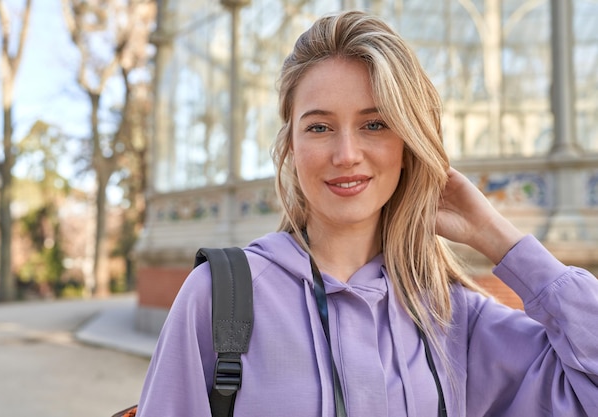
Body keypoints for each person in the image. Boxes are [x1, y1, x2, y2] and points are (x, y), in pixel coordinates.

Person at [135, 10, 598, 417]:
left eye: (374, 124)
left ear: (407, 144)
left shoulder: (454, 318)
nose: (346, 153)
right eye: (319, 127)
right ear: (291, 147)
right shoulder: (219, 298)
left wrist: (498, 237)